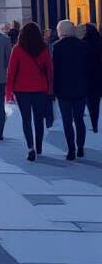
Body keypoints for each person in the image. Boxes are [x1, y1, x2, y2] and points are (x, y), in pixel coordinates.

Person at [6, 22, 53, 162]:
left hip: (22, 89)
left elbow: (11, 72)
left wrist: (8, 92)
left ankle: (30, 147)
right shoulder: (44, 49)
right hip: (40, 88)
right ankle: (39, 147)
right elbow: (49, 70)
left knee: (26, 120)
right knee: (39, 120)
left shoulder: (17, 49)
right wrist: (50, 88)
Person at [52, 20, 90, 161]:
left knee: (67, 121)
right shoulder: (83, 46)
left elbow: (54, 70)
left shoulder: (57, 47)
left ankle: (71, 150)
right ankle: (80, 147)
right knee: (79, 119)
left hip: (63, 89)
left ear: (61, 31)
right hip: (80, 88)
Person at [83, 23, 101, 133]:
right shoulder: (99, 42)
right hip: (98, 76)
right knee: (96, 102)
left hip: (87, 76)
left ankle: (93, 123)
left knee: (89, 100)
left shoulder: (84, 43)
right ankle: (95, 123)